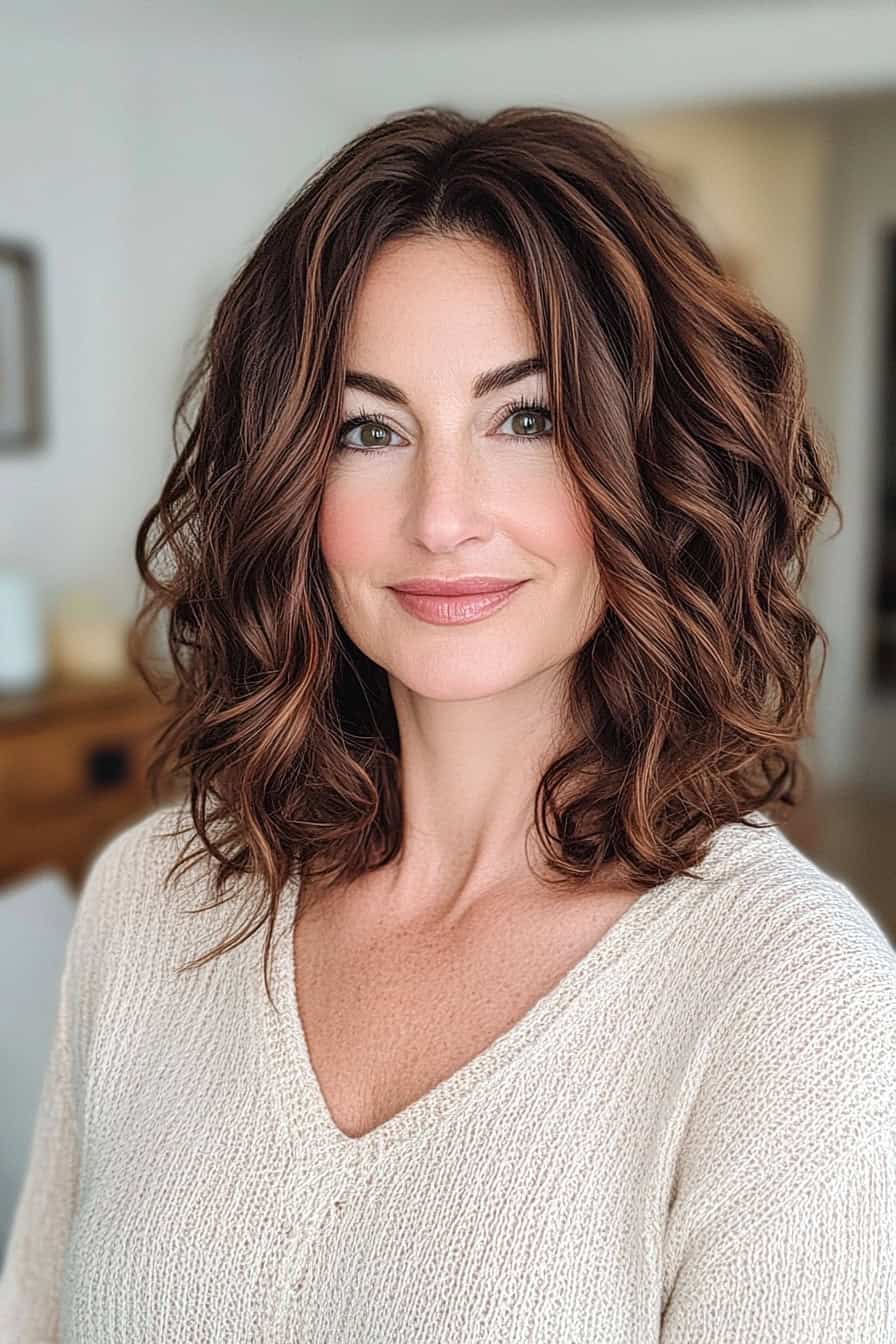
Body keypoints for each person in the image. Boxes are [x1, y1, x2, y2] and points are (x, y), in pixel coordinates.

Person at [1, 103, 894, 1342]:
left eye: (524, 419)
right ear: (290, 482)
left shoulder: (794, 999)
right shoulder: (154, 899)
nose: (442, 514)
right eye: (370, 430)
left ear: (649, 460)